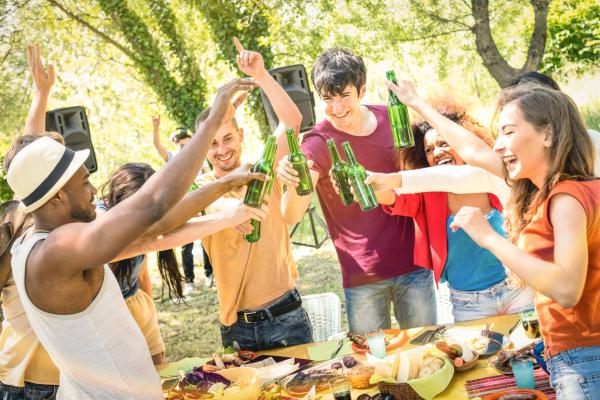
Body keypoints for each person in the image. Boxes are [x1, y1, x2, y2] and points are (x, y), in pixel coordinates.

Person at [3, 77, 255, 399]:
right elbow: (151, 205)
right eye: (83, 183)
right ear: (56, 198)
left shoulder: (53, 235)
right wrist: (212, 124)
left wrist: (224, 184)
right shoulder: (54, 251)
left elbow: (154, 225)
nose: (93, 191)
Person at [388, 78, 600, 399]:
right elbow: (471, 155)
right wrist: (416, 107)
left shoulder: (567, 198)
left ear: (548, 133)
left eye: (508, 131)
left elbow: (567, 290)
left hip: (584, 358)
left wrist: (489, 237)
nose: (497, 144)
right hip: (570, 351)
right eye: (497, 133)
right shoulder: (557, 189)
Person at [277, 48, 436, 333]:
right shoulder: (317, 142)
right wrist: (292, 178)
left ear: (362, 90)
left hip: (414, 265)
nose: (336, 108)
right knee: (372, 364)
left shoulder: (392, 119)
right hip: (363, 277)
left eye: (344, 96)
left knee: (427, 349)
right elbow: (291, 215)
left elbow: (421, 180)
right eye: (327, 99)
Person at [194, 37, 313, 351]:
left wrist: (261, 76)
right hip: (238, 330)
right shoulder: (198, 191)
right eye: (213, 143)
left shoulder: (264, 168)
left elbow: (293, 121)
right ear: (202, 148)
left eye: (228, 138)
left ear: (241, 136)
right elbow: (199, 204)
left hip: (287, 315)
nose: (222, 150)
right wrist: (225, 214)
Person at [365, 100, 533, 321]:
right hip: (469, 304)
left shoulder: (492, 177)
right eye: (429, 150)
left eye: (444, 143)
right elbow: (394, 198)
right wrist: (367, 183)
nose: (437, 152)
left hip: (518, 289)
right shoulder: (427, 191)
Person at [97, 162, 267, 364]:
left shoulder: (145, 223)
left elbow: (145, 267)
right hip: (105, 315)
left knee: (159, 373)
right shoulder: (100, 223)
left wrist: (149, 316)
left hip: (136, 303)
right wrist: (228, 212)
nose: (147, 223)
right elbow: (151, 241)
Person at [152, 116, 208, 295]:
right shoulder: (173, 157)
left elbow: (208, 174)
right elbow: (158, 146)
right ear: (176, 144)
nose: (184, 146)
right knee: (187, 243)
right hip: (183, 203)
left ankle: (210, 273)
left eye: (187, 142)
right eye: (181, 143)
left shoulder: (200, 154)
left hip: (202, 199)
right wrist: (156, 128)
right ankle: (189, 280)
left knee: (208, 236)